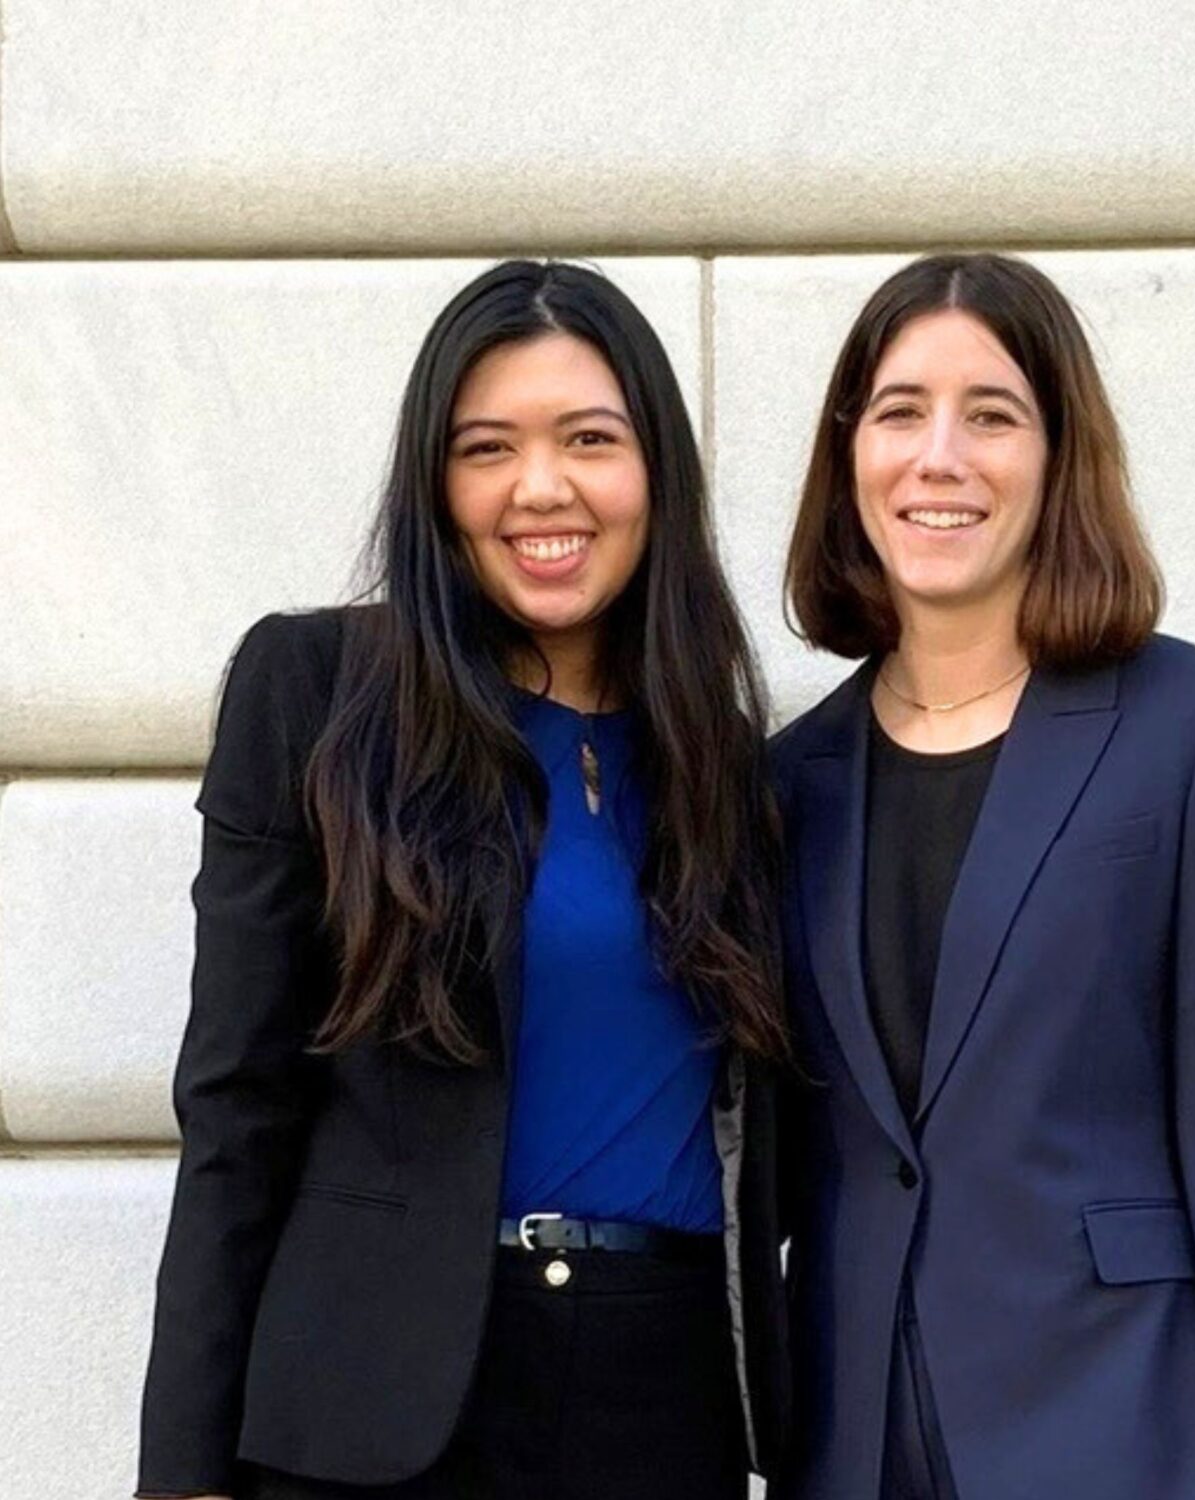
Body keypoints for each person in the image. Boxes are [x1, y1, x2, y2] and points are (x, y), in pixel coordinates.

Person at [136, 259, 790, 1500]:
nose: (541, 487)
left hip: (665, 1401)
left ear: (655, 470)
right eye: (486, 448)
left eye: (589, 439)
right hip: (377, 1409)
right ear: (436, 488)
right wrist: (181, 1474)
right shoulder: (320, 694)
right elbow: (235, 1112)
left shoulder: (728, 767)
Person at [770, 252, 1195, 1499]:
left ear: (1058, 452)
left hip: (1121, 1424)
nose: (940, 457)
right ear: (849, 450)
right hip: (855, 1444)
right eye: (901, 411)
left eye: (993, 415)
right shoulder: (785, 781)